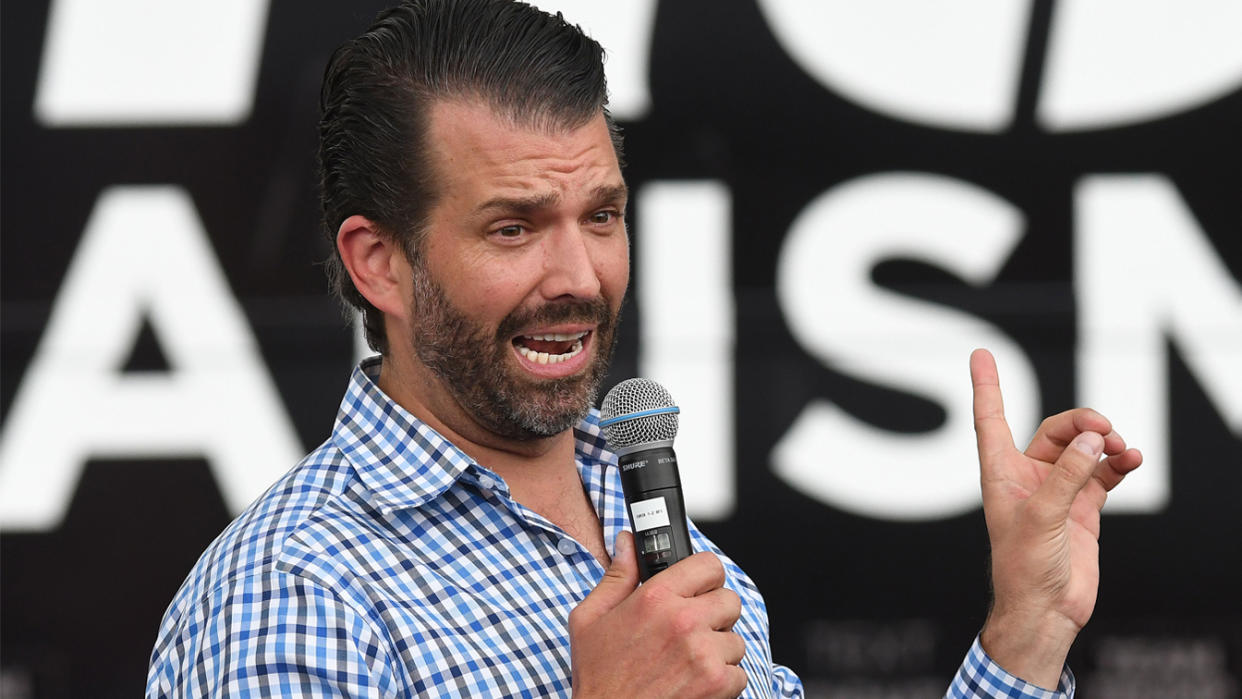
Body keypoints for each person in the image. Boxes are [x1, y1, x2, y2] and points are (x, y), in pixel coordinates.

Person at [146, 1, 1143, 696]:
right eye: (514, 227)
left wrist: (1026, 630)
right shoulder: (293, 591)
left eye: (602, 215)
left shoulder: (669, 548)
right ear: (379, 265)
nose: (579, 274)